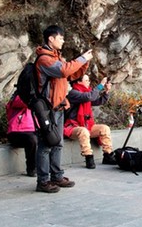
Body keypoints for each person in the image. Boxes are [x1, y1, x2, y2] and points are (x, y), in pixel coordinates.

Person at [35, 25, 91, 193]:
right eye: (61, 38)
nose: (63, 41)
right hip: (47, 109)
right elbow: (63, 70)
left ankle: (56, 176)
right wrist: (81, 58)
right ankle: (43, 181)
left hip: (58, 108)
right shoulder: (45, 59)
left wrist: (84, 64)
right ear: (51, 39)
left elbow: (70, 75)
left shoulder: (56, 57)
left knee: (57, 143)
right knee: (46, 145)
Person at [66, 74, 116, 169]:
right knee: (83, 131)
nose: (89, 82)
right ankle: (88, 157)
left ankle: (108, 156)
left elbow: (98, 101)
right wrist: (100, 85)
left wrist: (107, 91)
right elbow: (89, 97)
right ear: (78, 82)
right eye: (86, 80)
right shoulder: (73, 93)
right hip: (73, 126)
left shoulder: (87, 93)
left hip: (86, 124)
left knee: (104, 129)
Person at [6, 94, 38, 177]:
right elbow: (24, 102)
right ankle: (31, 168)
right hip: (16, 132)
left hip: (32, 131)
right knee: (32, 140)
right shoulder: (16, 98)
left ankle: (46, 167)